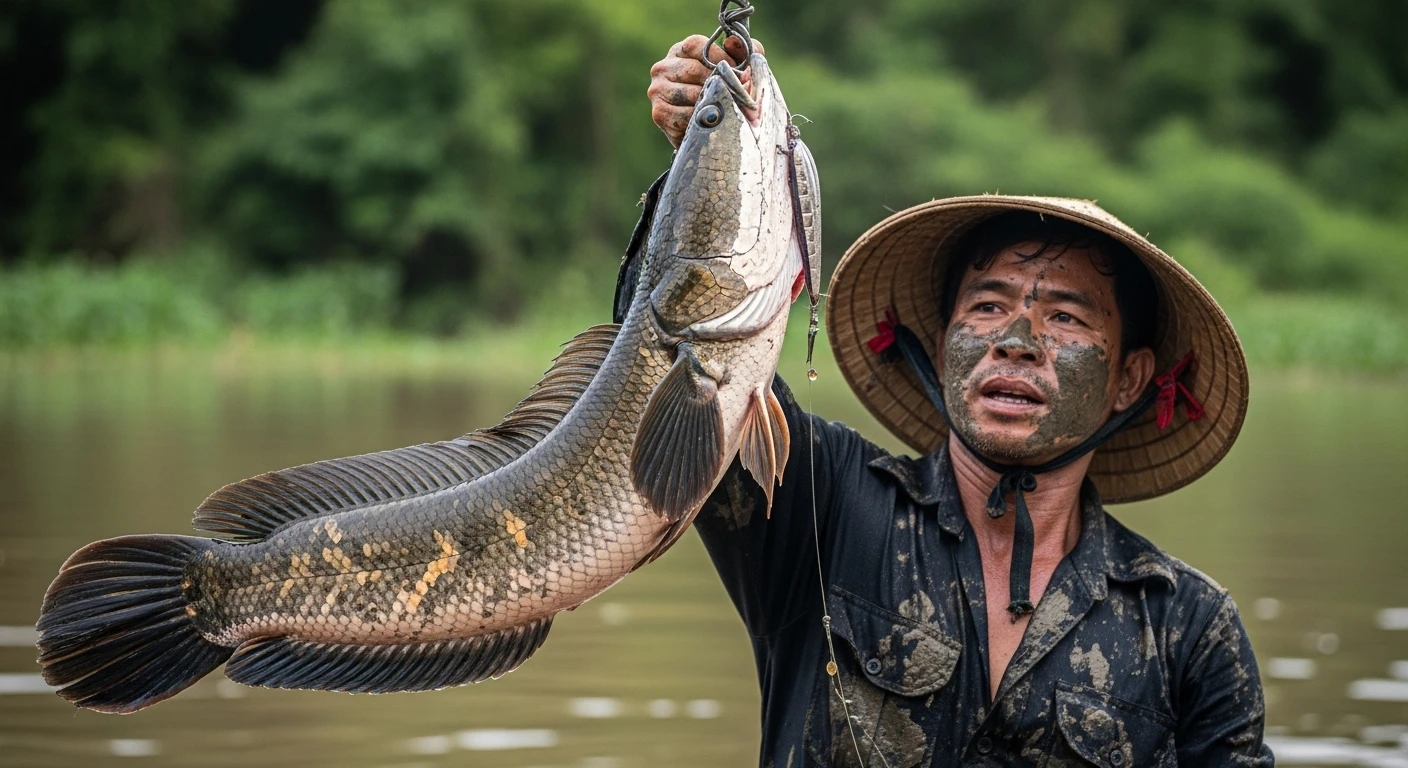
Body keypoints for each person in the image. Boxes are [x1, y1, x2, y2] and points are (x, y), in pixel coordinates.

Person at [618, 35, 1274, 767]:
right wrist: (704, 162)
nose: (1018, 340)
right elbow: (673, 368)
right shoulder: (819, 500)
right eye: (988, 308)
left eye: (1066, 318)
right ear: (939, 347)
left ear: (1129, 378)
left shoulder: (1187, 627)